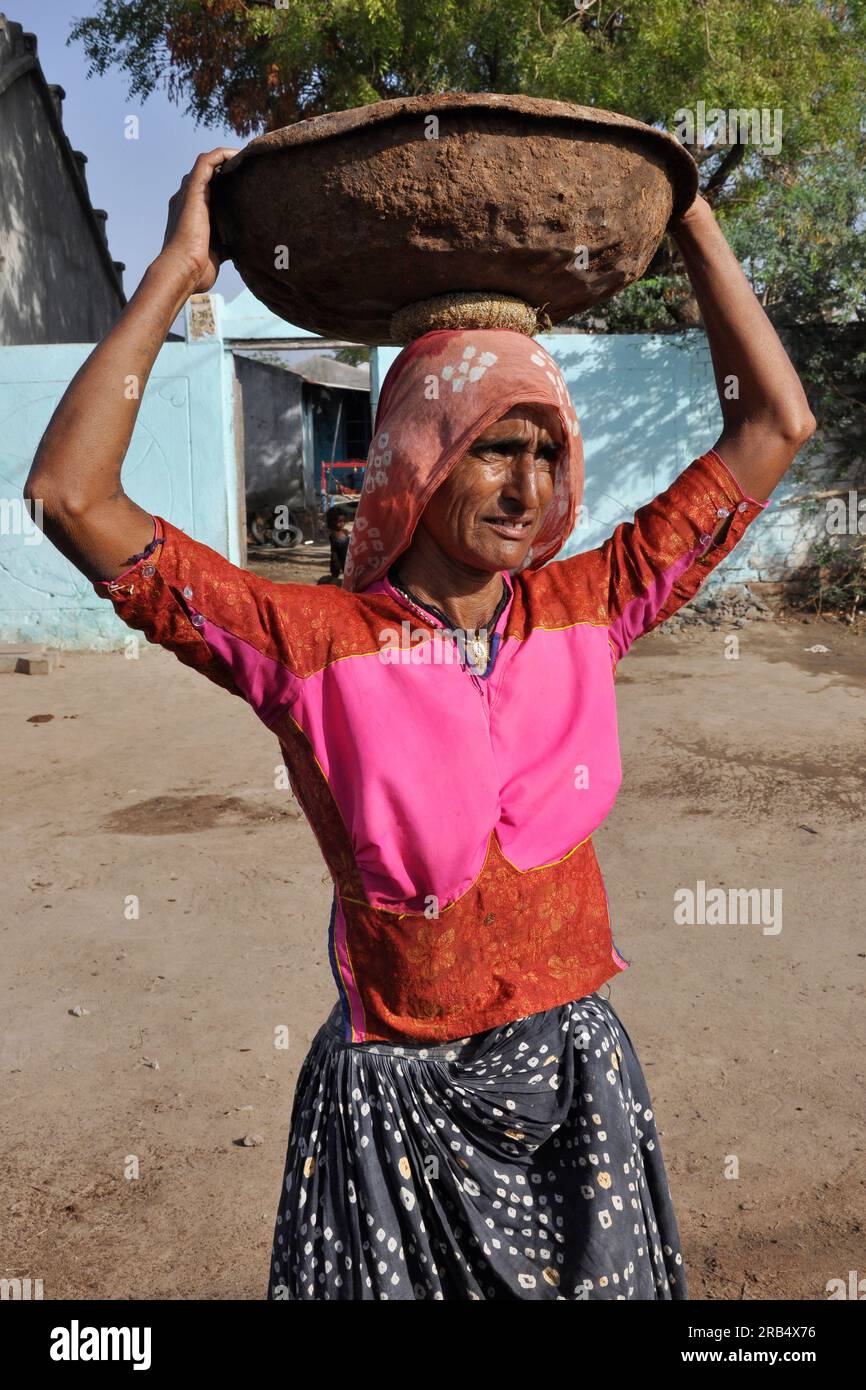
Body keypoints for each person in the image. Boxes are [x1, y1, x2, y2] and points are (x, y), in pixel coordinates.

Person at [25, 149, 815, 1301]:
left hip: (572, 1097)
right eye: (497, 444)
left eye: (547, 450)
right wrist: (179, 272)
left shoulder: (589, 605)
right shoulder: (307, 646)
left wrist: (689, 222)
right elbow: (71, 499)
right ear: (419, 450)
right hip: (395, 1119)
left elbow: (774, 424)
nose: (528, 485)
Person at [325, 504, 351, 579]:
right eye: (339, 522)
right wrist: (336, 562)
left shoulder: (345, 532)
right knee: (335, 576)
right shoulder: (333, 535)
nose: (341, 524)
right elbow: (334, 551)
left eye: (343, 521)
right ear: (332, 522)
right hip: (339, 559)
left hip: (347, 558)